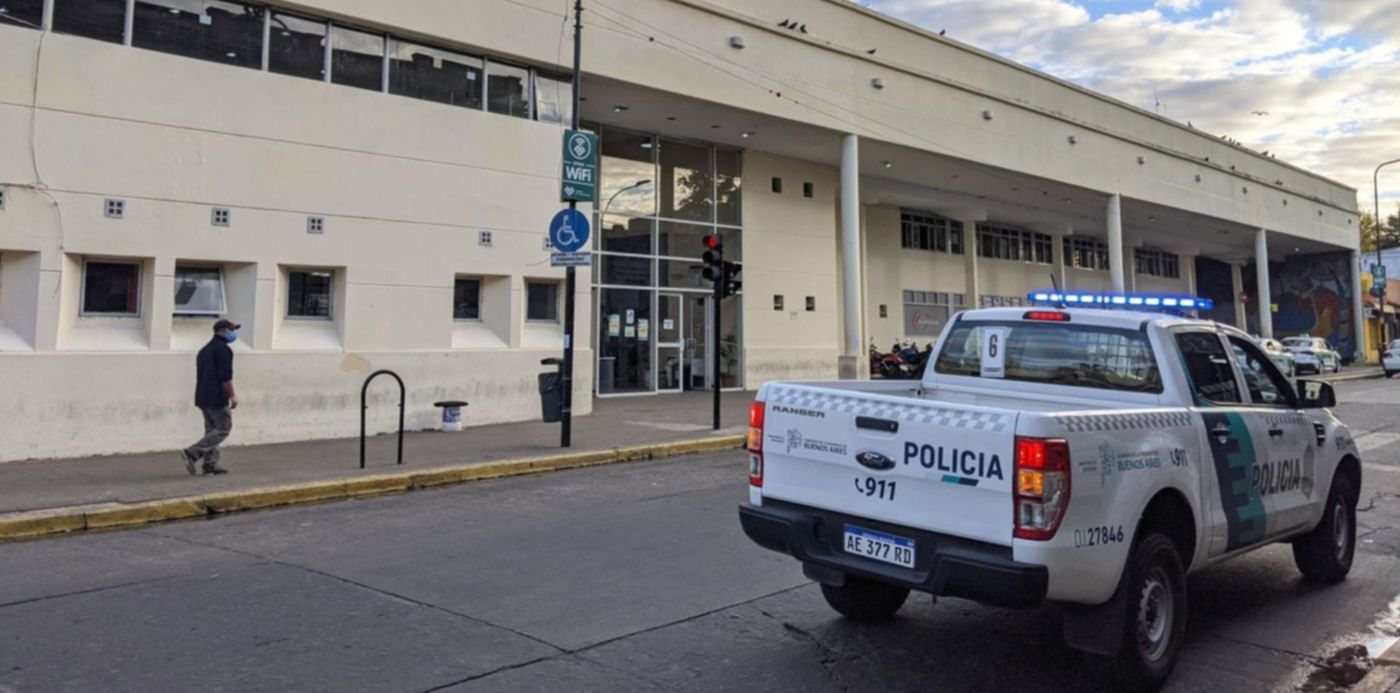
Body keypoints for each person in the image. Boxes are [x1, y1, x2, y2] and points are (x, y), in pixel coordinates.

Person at [181, 319, 240, 475]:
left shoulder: (204, 350)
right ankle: (192, 453)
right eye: (232, 329)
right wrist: (232, 395)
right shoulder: (223, 350)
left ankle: (210, 464)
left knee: (211, 430)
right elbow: (225, 376)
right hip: (217, 396)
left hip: (203, 395)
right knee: (223, 429)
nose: (234, 333)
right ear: (222, 331)